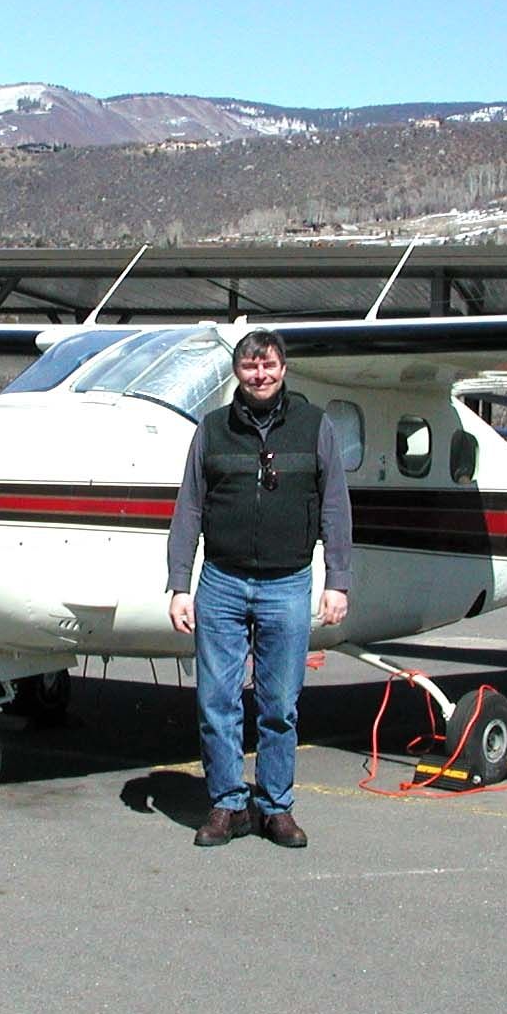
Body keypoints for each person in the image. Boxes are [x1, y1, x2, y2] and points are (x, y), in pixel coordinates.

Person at [167, 329, 351, 848]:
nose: (260, 374)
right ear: (237, 373)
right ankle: (228, 804)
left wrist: (338, 580)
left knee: (279, 704)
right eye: (249, 367)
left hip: (288, 584)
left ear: (283, 369)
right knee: (216, 701)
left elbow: (336, 506)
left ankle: (275, 807)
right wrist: (179, 583)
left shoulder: (316, 427)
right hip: (221, 582)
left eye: (268, 365)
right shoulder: (211, 430)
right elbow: (190, 509)